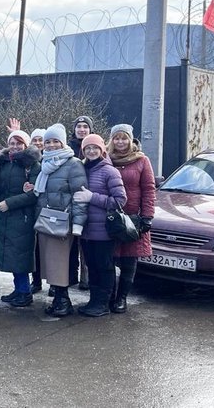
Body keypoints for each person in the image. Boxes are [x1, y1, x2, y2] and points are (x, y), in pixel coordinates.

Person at [32, 123, 88, 317]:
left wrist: (78, 224)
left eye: (56, 141)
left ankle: (63, 302)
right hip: (47, 221)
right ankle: (59, 300)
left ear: (63, 142)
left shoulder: (73, 164)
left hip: (63, 222)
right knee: (52, 263)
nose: (51, 145)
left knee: (59, 263)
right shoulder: (45, 164)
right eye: (48, 141)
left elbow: (80, 196)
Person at [72, 134, 127, 317]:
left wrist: (92, 198)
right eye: (88, 148)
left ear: (102, 149)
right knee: (92, 266)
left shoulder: (109, 171)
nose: (91, 151)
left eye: (95, 148)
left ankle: (103, 303)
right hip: (86, 229)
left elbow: (120, 200)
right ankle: (94, 301)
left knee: (104, 266)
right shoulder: (82, 169)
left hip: (103, 230)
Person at [0, 131, 40, 307]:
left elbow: (34, 194)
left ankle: (25, 292)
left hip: (22, 216)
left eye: (19, 143)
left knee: (21, 255)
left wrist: (9, 203)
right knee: (12, 255)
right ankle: (18, 289)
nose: (15, 147)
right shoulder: (4, 163)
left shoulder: (32, 164)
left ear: (26, 145)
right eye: (12, 143)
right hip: (5, 216)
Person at [107, 124, 155, 314]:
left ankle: (121, 298)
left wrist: (147, 216)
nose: (120, 142)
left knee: (129, 261)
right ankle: (109, 295)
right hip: (110, 216)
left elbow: (149, 189)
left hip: (133, 218)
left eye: (124, 138)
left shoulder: (142, 160)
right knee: (109, 259)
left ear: (130, 139)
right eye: (116, 138)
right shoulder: (106, 159)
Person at [69, 115, 93, 290]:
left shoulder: (95, 147)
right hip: (70, 201)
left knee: (86, 243)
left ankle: (86, 278)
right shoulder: (68, 148)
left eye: (85, 126)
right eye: (79, 126)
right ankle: (70, 276)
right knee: (70, 243)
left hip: (89, 199)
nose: (82, 129)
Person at [29, 127, 46, 293]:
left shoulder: (51, 159)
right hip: (32, 210)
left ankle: (55, 283)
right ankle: (36, 281)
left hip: (48, 210)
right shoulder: (29, 162)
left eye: (41, 140)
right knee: (34, 249)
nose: (38, 143)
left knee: (47, 250)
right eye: (35, 140)